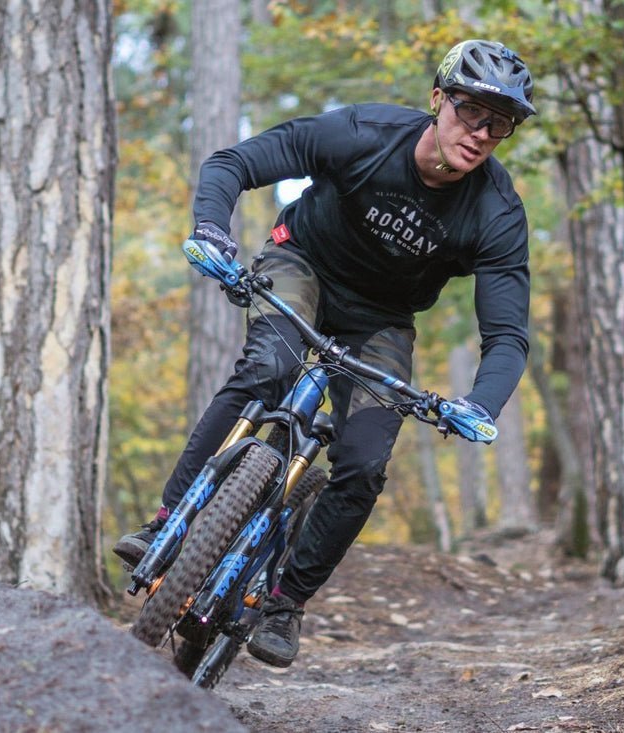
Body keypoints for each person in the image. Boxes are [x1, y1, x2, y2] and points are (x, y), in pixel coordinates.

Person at [114, 39, 537, 668]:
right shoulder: (363, 133)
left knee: (364, 463)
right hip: (300, 264)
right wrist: (210, 228)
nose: (479, 133)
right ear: (437, 100)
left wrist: (480, 404)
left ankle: (284, 602)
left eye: (498, 124)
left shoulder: (497, 213)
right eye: (470, 111)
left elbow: (506, 336)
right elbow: (233, 162)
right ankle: (167, 519)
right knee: (266, 369)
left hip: (382, 321)